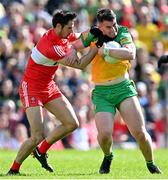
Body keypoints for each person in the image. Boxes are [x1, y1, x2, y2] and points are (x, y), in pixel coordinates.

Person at [7, 9, 110, 175]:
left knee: (72, 123)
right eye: (69, 27)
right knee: (36, 136)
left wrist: (92, 32)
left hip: (47, 86)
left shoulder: (61, 34)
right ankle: (13, 170)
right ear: (59, 26)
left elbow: (77, 37)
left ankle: (41, 151)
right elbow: (80, 64)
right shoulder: (51, 46)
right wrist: (95, 46)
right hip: (31, 87)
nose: (71, 30)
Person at [90, 8, 162, 174]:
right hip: (101, 92)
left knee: (140, 132)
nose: (113, 29)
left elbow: (131, 53)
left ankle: (150, 163)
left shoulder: (122, 32)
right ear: (100, 26)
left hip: (123, 88)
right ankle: (108, 156)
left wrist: (107, 51)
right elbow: (77, 44)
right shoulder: (93, 36)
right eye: (108, 27)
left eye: (114, 25)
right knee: (105, 135)